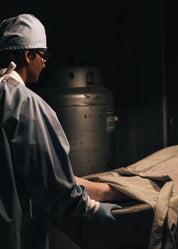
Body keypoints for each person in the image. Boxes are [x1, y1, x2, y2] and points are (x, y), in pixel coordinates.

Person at [0, 14, 124, 249]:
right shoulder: (25, 104)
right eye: (43, 54)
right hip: (15, 235)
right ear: (28, 54)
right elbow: (51, 179)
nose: (45, 62)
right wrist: (91, 208)